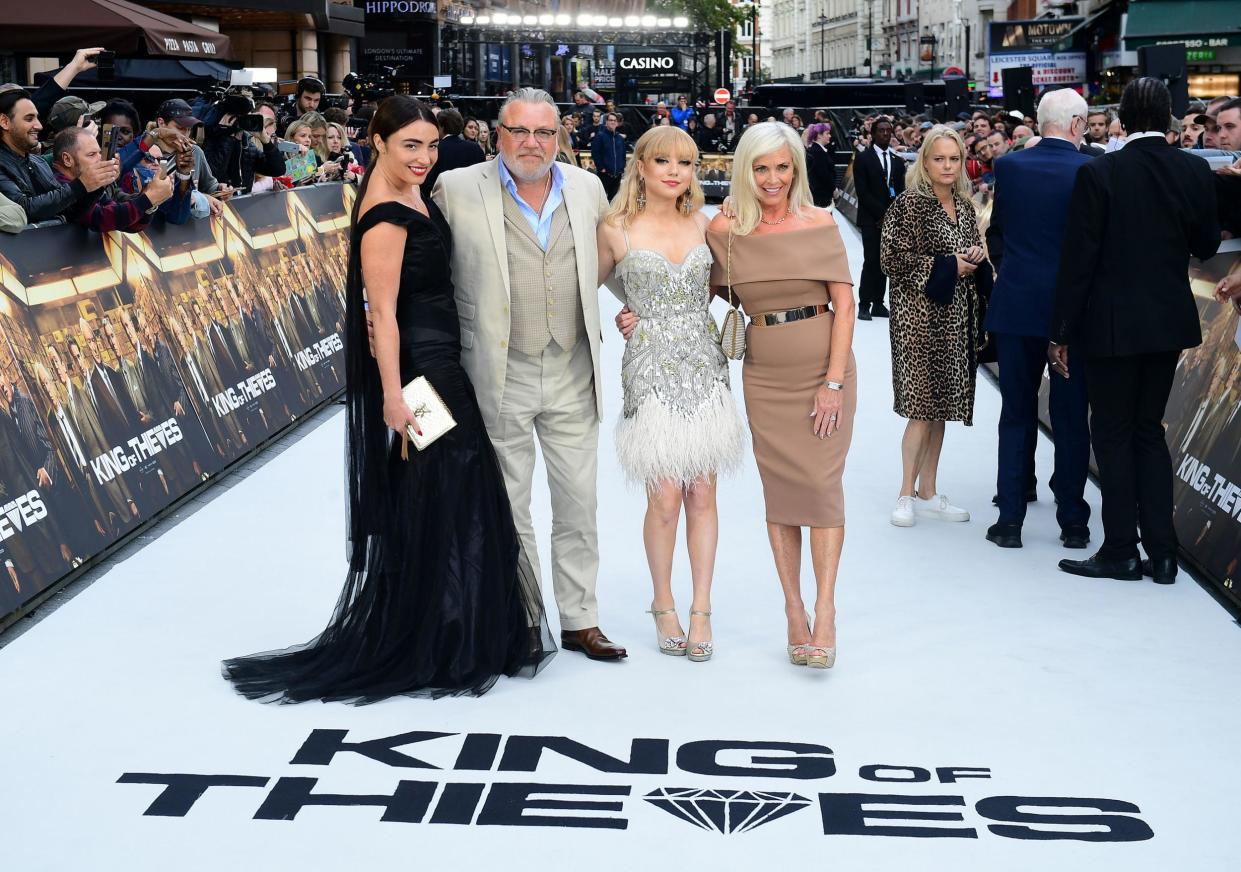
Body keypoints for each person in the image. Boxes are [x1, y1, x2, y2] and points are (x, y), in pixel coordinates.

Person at [223, 96, 555, 703]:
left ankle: (454, 628)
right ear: (377, 142)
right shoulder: (384, 218)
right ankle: (444, 637)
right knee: (446, 488)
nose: (425, 157)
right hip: (424, 378)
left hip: (441, 367)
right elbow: (381, 317)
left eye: (431, 145)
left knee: (451, 492)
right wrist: (396, 396)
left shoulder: (410, 198)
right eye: (411, 145)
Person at [429, 88, 626, 660]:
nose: (531, 143)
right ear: (497, 133)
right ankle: (523, 619)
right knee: (508, 507)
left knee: (578, 503)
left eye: (544, 132)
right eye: (519, 131)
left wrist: (639, 303)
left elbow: (612, 255)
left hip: (570, 365)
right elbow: (429, 269)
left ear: (560, 137)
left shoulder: (587, 188)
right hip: (496, 370)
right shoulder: (458, 187)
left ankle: (581, 619)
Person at [1049, 78, 1221, 585]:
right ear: (1169, 116)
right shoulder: (1192, 169)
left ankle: (1122, 548)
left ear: (1122, 117)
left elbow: (1078, 262)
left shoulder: (1101, 172)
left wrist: (1060, 331)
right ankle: (1163, 555)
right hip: (1168, 323)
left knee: (1113, 431)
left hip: (1111, 327)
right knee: (1149, 431)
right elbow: (1207, 243)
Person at [704, 122, 857, 669]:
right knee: (782, 494)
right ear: (746, 171)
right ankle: (794, 611)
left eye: (782, 167)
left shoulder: (819, 223)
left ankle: (826, 608)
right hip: (764, 378)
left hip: (823, 372)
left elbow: (845, 306)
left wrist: (833, 383)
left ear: (797, 169)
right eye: (761, 168)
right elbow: (694, 287)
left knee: (820, 488)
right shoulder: (726, 231)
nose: (772, 179)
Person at [597, 127, 745, 662]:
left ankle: (701, 607)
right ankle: (664, 604)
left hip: (705, 365)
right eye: (662, 160)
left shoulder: (704, 224)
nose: (674, 171)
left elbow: (721, 287)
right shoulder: (615, 228)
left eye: (685, 162)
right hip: (650, 367)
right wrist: (628, 306)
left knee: (703, 492)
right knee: (663, 497)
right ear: (640, 166)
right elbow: (581, 284)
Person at [983, 89, 1094, 551]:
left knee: (1016, 412)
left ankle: (1010, 518)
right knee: (1070, 417)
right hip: (1074, 312)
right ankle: (1073, 521)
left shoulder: (1009, 167)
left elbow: (998, 232)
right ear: (1074, 124)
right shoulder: (1092, 168)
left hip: (1017, 305)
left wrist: (1014, 273)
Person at [880, 125, 989, 528]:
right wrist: (947, 265)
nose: (947, 165)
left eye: (954, 159)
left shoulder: (964, 206)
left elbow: (972, 254)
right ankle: (905, 493)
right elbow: (891, 259)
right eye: (939, 158)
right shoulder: (909, 205)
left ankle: (929, 490)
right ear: (924, 162)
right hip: (918, 321)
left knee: (942, 407)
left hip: (956, 318)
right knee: (921, 409)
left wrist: (973, 256)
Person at [0, 88, 117, 224]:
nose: (39, 126)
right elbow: (23, 210)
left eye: (37, 118)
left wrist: (100, 181)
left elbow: (69, 213)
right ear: (4, 121)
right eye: (29, 118)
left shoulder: (39, 163)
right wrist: (81, 185)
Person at [51, 127, 179, 232]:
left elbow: (126, 223)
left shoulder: (90, 183)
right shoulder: (58, 185)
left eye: (99, 153)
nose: (99, 159)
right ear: (67, 160)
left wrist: (152, 202)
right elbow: (101, 218)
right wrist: (149, 199)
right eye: (91, 155)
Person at [854, 116, 905, 320]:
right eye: (881, 130)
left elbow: (900, 191)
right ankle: (864, 303)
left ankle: (878, 303)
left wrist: (892, 216)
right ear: (873, 134)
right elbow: (862, 192)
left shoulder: (896, 161)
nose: (885, 134)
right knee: (871, 260)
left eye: (888, 131)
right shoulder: (863, 158)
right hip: (870, 219)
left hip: (890, 220)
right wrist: (882, 214)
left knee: (885, 261)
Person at [423, 108, 484, 194]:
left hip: (443, 200)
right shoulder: (475, 148)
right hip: (472, 199)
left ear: (441, 127)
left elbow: (427, 182)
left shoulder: (436, 149)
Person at [591, 111, 627, 200]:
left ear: (617, 123)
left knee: (614, 200)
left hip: (617, 175)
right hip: (604, 174)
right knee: (601, 200)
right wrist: (601, 168)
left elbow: (623, 154)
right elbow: (595, 153)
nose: (613, 122)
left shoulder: (619, 138)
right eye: (611, 120)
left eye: (615, 120)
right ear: (606, 122)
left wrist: (621, 168)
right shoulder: (600, 136)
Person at [805, 122, 836, 208]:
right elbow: (824, 175)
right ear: (819, 135)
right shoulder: (817, 152)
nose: (829, 136)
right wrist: (833, 188)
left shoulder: (817, 150)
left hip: (819, 195)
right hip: (821, 197)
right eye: (827, 133)